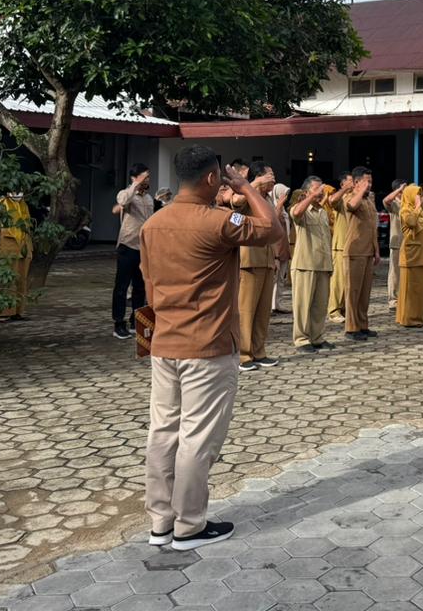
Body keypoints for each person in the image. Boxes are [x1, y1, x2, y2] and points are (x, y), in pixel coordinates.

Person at [139, 145, 282, 551]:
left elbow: (147, 288)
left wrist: (147, 340)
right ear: (211, 178)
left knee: (163, 432)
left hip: (164, 343)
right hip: (207, 346)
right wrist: (246, 186)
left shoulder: (153, 225)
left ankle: (160, 522)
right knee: (196, 438)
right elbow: (271, 229)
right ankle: (189, 525)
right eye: (221, 176)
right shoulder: (219, 221)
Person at [236, 162, 284, 372]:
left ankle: (259, 351)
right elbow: (235, 203)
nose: (273, 179)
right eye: (269, 175)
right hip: (249, 259)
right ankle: (243, 355)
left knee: (263, 311)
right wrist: (253, 184)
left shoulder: (267, 199)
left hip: (266, 259)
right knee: (246, 310)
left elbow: (272, 230)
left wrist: (275, 257)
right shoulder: (247, 194)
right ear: (258, 177)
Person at [290, 177, 335, 353]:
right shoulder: (300, 208)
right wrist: (310, 197)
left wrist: (330, 264)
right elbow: (296, 214)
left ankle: (317, 337)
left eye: (321, 190)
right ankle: (301, 339)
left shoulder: (322, 212)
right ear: (306, 192)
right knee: (303, 305)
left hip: (322, 265)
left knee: (320, 306)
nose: (320, 193)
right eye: (316, 190)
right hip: (305, 265)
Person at [112, 163, 155, 339]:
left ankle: (135, 322)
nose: (147, 180)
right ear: (134, 178)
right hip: (127, 245)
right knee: (121, 287)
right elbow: (122, 202)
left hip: (143, 247)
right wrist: (135, 185)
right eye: (144, 176)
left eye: (148, 177)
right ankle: (118, 324)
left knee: (140, 287)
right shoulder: (125, 193)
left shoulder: (149, 198)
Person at [343, 167, 381, 341]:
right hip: (354, 251)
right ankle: (351, 328)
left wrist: (376, 250)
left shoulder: (369, 200)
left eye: (371, 181)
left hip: (368, 251)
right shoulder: (350, 196)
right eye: (366, 181)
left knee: (365, 292)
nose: (370, 185)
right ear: (356, 182)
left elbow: (373, 227)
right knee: (353, 291)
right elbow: (351, 206)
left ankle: (363, 325)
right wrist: (360, 191)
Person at [397, 184, 423, 327]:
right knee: (410, 289)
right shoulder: (406, 210)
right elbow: (411, 222)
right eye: (417, 195)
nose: (419, 197)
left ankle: (418, 317)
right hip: (412, 255)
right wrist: (418, 206)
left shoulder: (421, 211)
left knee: (420, 289)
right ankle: (408, 319)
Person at [0, 191, 33, 321]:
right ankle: (2, 312)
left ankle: (18, 311)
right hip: (8, 244)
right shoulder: (2, 202)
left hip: (24, 245)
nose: (18, 193)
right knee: (6, 279)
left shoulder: (24, 204)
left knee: (22, 280)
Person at [326, 173, 353, 322]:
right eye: (350, 181)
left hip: (353, 246)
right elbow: (332, 201)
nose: (353, 183)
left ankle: (344, 308)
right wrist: (344, 190)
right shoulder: (341, 198)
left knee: (349, 282)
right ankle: (334, 311)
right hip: (341, 245)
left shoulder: (355, 198)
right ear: (342, 184)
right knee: (338, 281)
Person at [383, 179, 406, 311]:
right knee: (395, 274)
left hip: (408, 243)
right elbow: (386, 201)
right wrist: (399, 190)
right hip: (397, 242)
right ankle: (393, 300)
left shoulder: (407, 203)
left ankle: (403, 298)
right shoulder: (394, 204)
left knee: (404, 273)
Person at [269, 183, 292, 314]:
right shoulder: (272, 207)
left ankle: (277, 303)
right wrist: (278, 205)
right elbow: (272, 222)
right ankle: (270, 305)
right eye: (283, 193)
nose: (285, 196)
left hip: (284, 247)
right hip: (275, 248)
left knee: (281, 279)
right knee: (273, 278)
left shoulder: (283, 211)